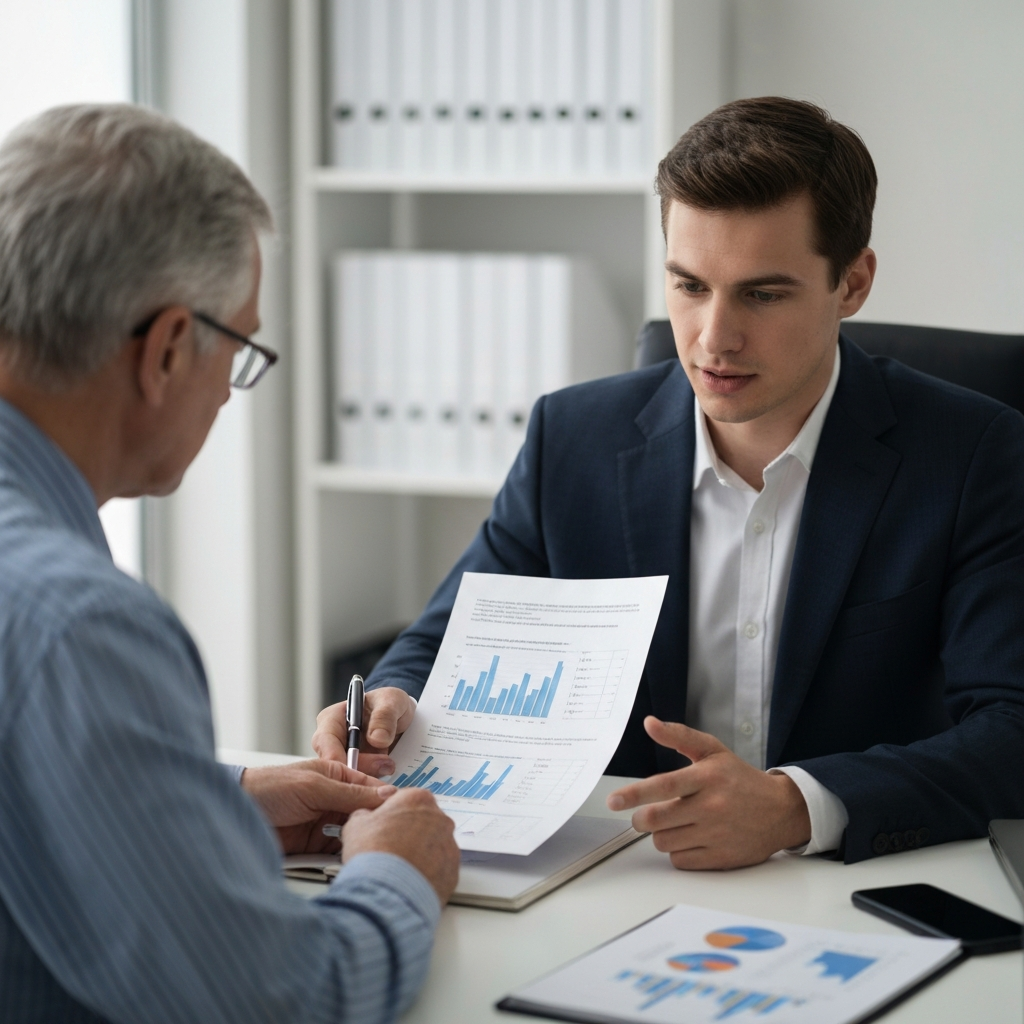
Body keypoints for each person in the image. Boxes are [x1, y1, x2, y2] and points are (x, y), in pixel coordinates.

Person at [314, 97, 1024, 869]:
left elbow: (1013, 731)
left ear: (852, 284)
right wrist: (392, 702)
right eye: (689, 286)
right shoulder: (572, 440)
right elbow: (445, 638)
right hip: (619, 870)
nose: (715, 338)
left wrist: (797, 805)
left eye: (763, 293)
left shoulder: (973, 454)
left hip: (852, 883)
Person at [0, 104, 459, 1024]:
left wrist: (219, 799)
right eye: (240, 348)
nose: (228, 390)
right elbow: (280, 1002)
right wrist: (396, 873)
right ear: (169, 349)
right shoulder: (79, 622)